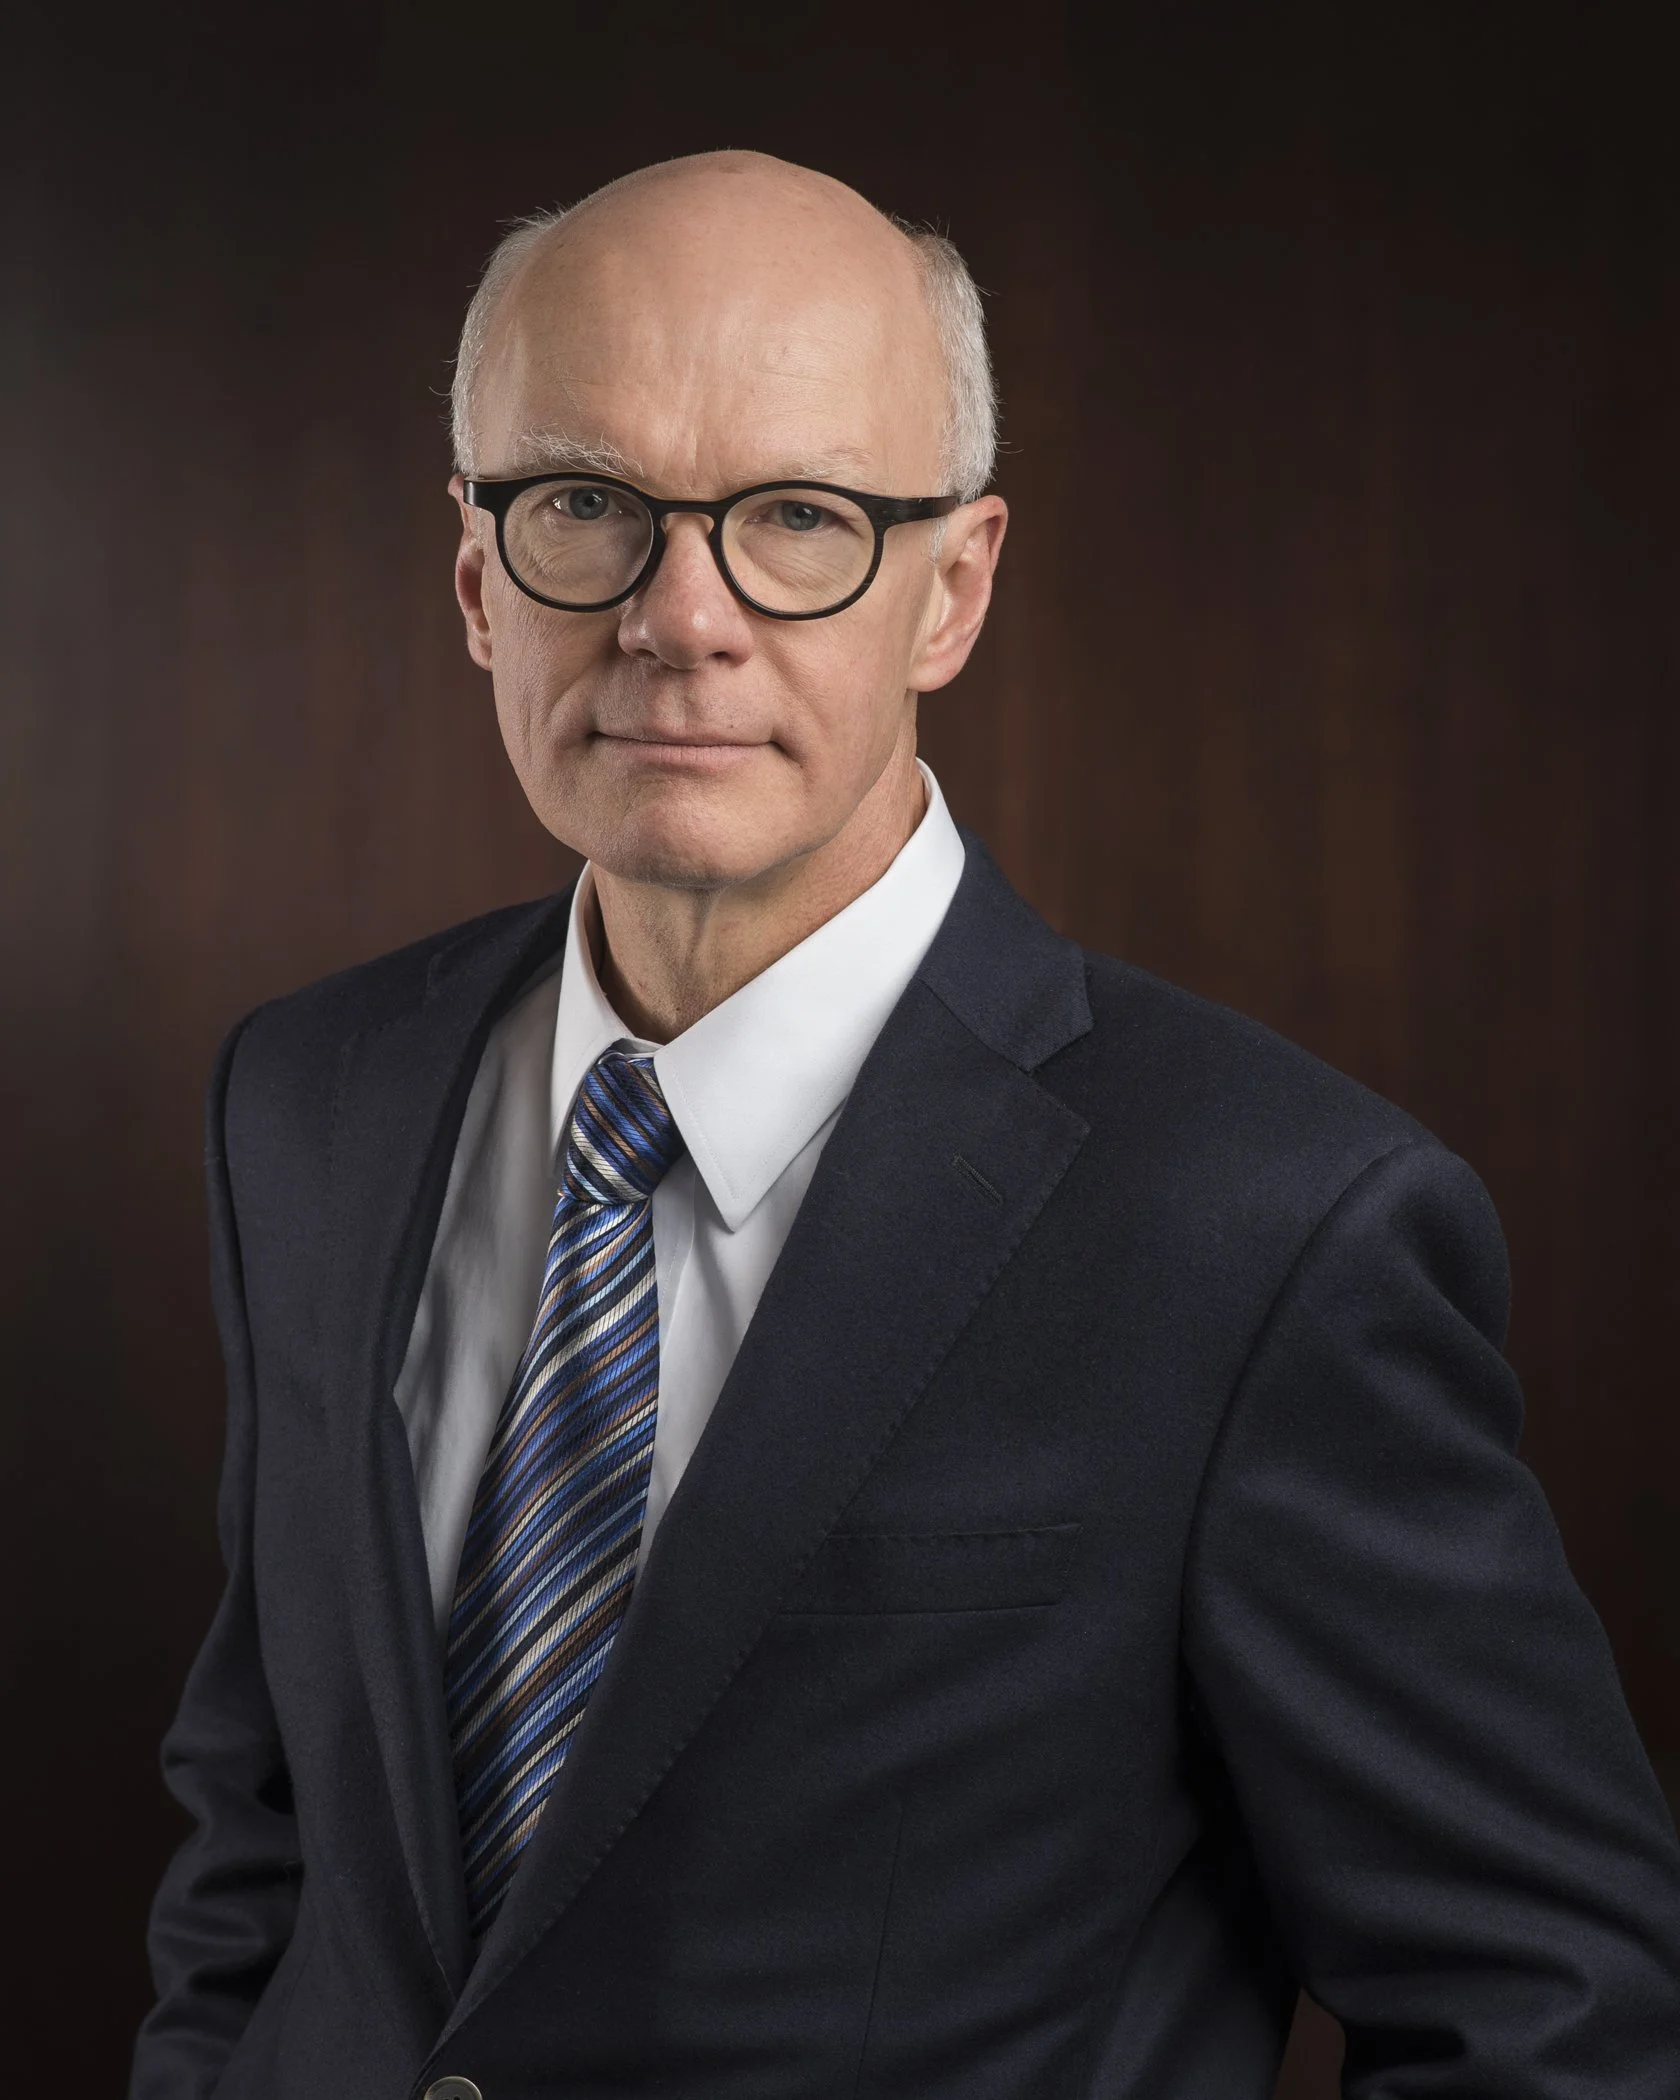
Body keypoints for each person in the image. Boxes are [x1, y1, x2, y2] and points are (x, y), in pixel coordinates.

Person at [132, 151, 1680, 2100]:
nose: (679, 617)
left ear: (953, 589)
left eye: (799, 517)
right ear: (473, 578)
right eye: (586, 505)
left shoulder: (1272, 1228)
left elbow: (1554, 2018)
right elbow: (267, 1844)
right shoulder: (305, 1101)